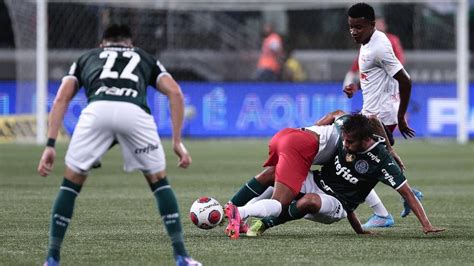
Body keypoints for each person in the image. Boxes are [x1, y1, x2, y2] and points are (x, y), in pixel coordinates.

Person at [37, 24, 201, 266]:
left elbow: (61, 97)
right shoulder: (144, 57)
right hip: (134, 113)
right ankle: (181, 256)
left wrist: (50, 144)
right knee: (159, 182)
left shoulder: (87, 57)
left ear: (102, 44)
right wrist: (177, 141)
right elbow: (175, 93)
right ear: (130, 44)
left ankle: (52, 258)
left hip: (97, 111)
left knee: (70, 184)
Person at [246, 114, 445, 237]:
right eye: (344, 139)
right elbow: (340, 115)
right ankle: (234, 211)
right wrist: (313, 129)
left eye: (349, 142)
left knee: (309, 201)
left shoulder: (382, 161)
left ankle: (264, 223)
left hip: (336, 205)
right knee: (273, 172)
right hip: (316, 181)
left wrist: (426, 225)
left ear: (366, 140)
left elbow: (407, 193)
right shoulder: (350, 129)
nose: (344, 144)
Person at [223, 110, 405, 239]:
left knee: (271, 175)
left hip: (288, 134)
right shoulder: (350, 146)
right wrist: (389, 150)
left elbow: (337, 113)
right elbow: (356, 184)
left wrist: (316, 127)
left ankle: (230, 208)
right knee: (279, 202)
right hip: (300, 147)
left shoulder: (346, 125)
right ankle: (240, 213)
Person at [342, 3, 419, 229]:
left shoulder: (380, 47)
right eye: (351, 27)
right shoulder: (366, 42)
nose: (354, 31)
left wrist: (402, 116)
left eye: (359, 27)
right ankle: (408, 196)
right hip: (370, 112)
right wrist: (356, 86)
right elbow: (373, 75)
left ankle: (384, 213)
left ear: (372, 25)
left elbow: (405, 80)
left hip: (381, 117)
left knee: (352, 163)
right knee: (363, 163)